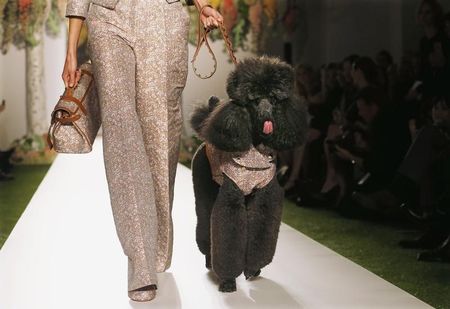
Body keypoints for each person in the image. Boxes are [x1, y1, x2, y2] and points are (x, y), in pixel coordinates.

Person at [61, 0, 223, 302]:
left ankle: (157, 246)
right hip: (106, 17)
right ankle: (141, 260)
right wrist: (71, 47)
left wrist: (202, 5)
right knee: (120, 127)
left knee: (160, 136)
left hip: (162, 16)